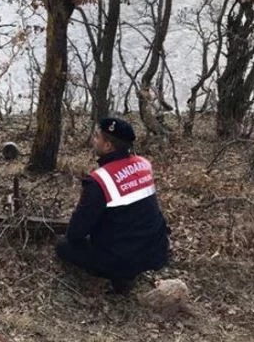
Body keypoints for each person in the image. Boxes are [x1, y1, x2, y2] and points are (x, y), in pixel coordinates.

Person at [56, 117, 169, 294]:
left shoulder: (100, 180)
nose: (93, 140)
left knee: (63, 245)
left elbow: (76, 233)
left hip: (122, 258)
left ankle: (121, 277)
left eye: (97, 137)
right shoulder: (144, 164)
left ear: (108, 146)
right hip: (156, 249)